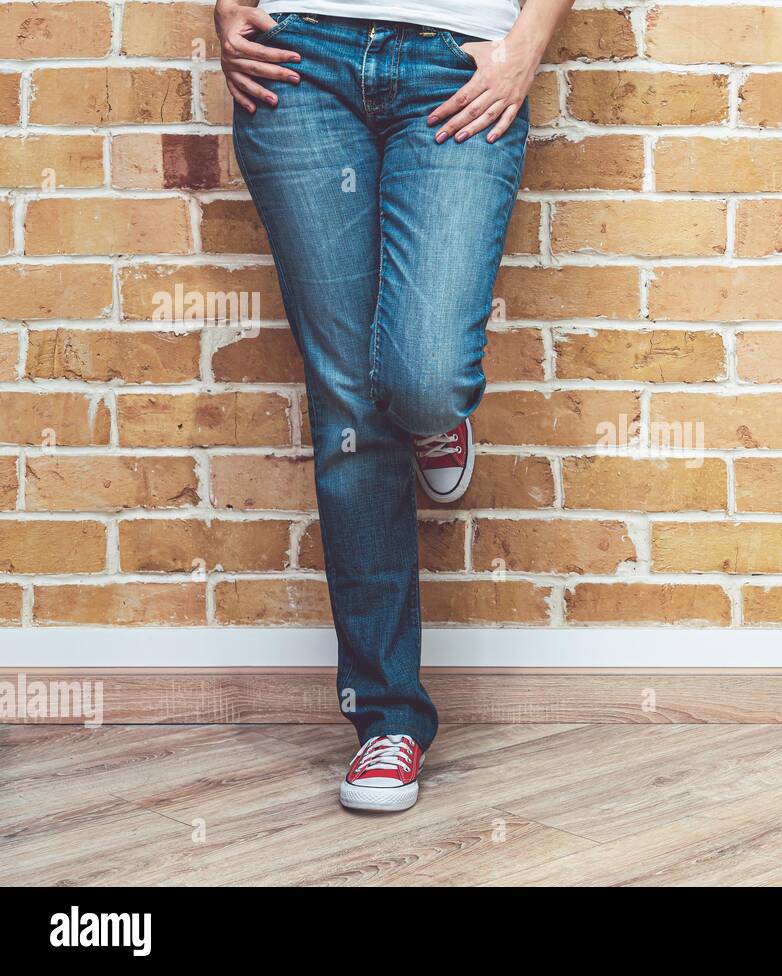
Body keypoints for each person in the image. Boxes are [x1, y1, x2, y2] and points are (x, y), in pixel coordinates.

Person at [216, 0, 574, 812]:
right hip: (298, 59)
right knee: (347, 403)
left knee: (423, 376)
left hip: (457, 60)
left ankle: (431, 416)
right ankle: (388, 718)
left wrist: (526, 46)